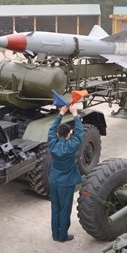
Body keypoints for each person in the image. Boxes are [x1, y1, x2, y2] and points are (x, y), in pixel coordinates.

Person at [47, 103, 84, 242]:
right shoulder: (71, 146)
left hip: (54, 180)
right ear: (69, 134)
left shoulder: (52, 143)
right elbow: (80, 133)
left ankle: (55, 234)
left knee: (55, 208)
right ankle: (62, 236)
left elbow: (51, 130)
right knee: (64, 209)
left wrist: (61, 113)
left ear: (58, 134)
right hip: (66, 183)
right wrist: (74, 114)